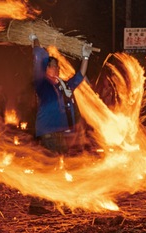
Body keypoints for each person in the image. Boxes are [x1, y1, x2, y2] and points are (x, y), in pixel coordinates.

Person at [28, 34, 92, 215]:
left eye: (57, 66)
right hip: (48, 133)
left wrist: (85, 57)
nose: (56, 69)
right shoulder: (42, 84)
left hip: (60, 133)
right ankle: (39, 203)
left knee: (55, 166)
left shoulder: (62, 85)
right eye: (53, 66)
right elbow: (38, 58)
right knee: (49, 166)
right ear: (46, 69)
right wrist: (35, 41)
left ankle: (47, 200)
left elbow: (79, 76)